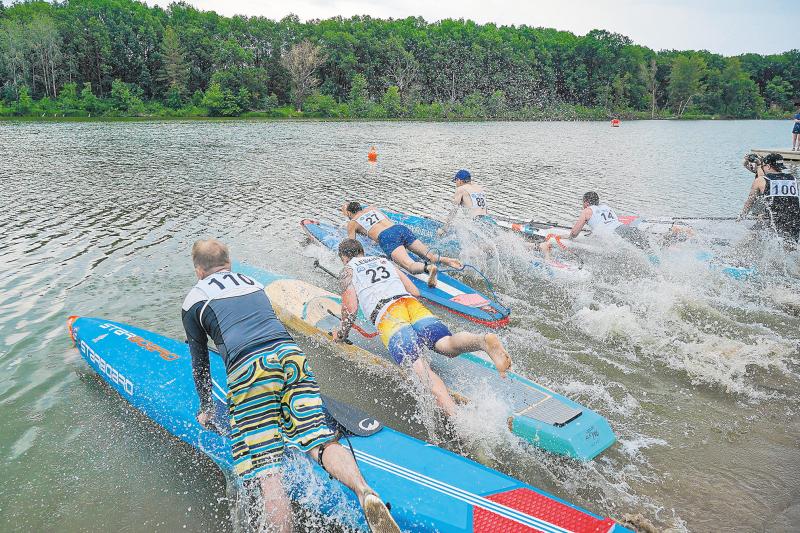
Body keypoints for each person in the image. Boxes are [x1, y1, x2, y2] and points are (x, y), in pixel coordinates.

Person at [182, 239, 398, 533]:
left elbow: (200, 362)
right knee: (320, 439)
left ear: (198, 270)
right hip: (292, 356)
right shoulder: (253, 283)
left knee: (266, 466)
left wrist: (206, 408)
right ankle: (363, 491)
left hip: (250, 368)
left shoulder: (194, 299)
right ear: (229, 263)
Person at [332, 238, 511, 417]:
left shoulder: (348, 270)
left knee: (421, 370)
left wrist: (341, 334)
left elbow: (350, 308)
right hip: (411, 304)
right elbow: (415, 291)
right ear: (362, 252)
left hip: (389, 316)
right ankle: (482, 341)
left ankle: (458, 421)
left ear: (344, 258)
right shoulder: (384, 261)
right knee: (446, 345)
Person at [342, 201, 462, 288]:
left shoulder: (352, 222)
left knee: (409, 265)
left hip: (387, 237)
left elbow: (353, 245)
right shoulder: (372, 209)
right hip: (399, 228)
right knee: (429, 256)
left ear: (350, 213)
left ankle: (428, 268)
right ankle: (447, 260)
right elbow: (379, 223)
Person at [540, 192, 650, 261]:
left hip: (615, 235)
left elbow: (574, 233)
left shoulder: (587, 211)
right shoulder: (606, 207)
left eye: (583, 202)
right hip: (626, 229)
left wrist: (568, 237)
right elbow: (609, 223)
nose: (582, 204)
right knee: (647, 251)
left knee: (629, 254)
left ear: (587, 202)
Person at [739, 152, 800, 242]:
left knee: (750, 239)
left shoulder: (761, 180)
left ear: (768, 166)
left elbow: (749, 202)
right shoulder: (794, 179)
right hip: (795, 222)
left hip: (773, 222)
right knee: (790, 247)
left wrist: (741, 217)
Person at [438, 169, 491, 236]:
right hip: (488, 220)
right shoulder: (479, 187)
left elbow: (454, 211)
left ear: (459, 180)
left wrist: (444, 229)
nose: (456, 184)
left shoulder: (461, 189)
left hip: (476, 223)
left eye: (455, 181)